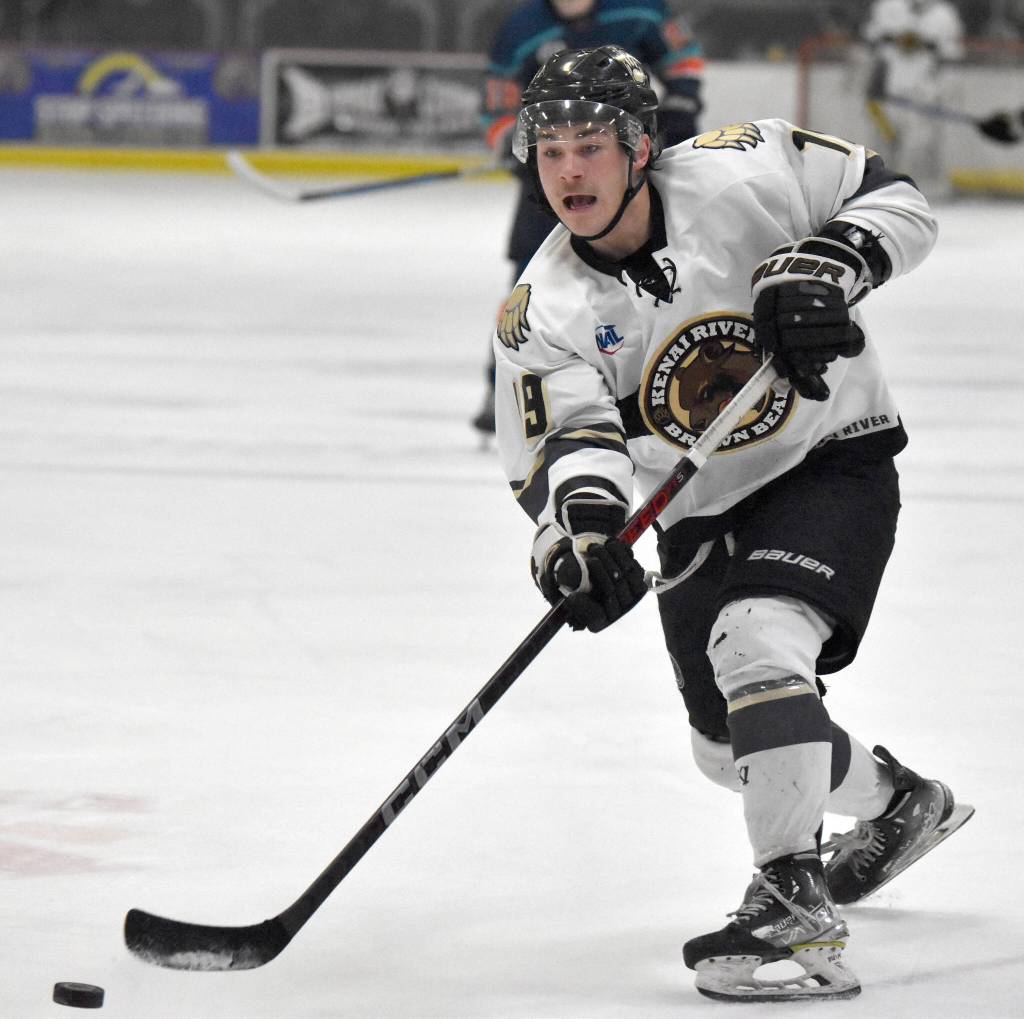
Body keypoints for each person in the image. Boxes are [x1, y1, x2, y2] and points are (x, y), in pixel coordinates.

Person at [492, 44, 973, 1002]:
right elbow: (569, 448)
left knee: (756, 639)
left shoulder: (747, 165)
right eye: (550, 151)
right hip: (701, 508)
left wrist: (832, 262)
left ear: (639, 147)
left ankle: (793, 909)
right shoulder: (541, 307)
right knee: (729, 751)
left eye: (590, 145)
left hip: (829, 457)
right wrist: (584, 539)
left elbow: (901, 203)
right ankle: (901, 805)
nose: (569, 171)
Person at [472, 0, 704, 436]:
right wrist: (512, 143)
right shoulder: (521, 28)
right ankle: (505, 384)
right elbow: (497, 99)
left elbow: (684, 59)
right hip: (553, 183)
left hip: (631, 170)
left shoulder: (641, 11)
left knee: (673, 267)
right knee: (530, 284)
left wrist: (678, 108)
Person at [860, 0, 965, 194]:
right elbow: (871, 43)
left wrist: (939, 91)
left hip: (921, 98)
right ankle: (877, 195)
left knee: (918, 148)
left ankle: (915, 195)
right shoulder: (887, 7)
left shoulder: (944, 15)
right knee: (880, 149)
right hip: (888, 96)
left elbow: (951, 56)